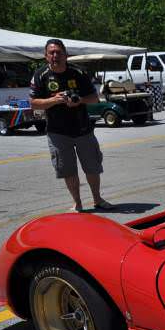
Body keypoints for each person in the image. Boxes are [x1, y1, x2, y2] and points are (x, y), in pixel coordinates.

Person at [30, 39, 114, 212]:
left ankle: (97, 199)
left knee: (92, 166)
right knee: (68, 169)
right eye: (51, 53)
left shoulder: (79, 73)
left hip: (83, 128)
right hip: (58, 132)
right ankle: (78, 203)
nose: (55, 56)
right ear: (46, 56)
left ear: (66, 55)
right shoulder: (40, 75)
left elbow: (94, 98)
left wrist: (80, 100)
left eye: (59, 52)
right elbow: (33, 103)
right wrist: (54, 100)